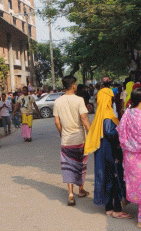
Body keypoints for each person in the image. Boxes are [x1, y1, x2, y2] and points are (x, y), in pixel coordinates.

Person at [85, 77, 130, 218]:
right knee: (115, 177)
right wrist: (122, 130)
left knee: (106, 177)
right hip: (111, 151)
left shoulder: (99, 114)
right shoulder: (107, 116)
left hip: (102, 151)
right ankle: (117, 209)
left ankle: (108, 207)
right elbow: (110, 133)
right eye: (111, 98)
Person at [116, 88, 141, 228]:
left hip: (129, 156)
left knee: (137, 184)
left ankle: (139, 213)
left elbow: (121, 133)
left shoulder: (127, 113)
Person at [54, 75, 91, 206]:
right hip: (80, 138)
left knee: (68, 166)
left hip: (66, 140)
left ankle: (70, 193)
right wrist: (91, 133)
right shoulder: (79, 100)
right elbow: (84, 118)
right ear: (74, 85)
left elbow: (57, 122)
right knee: (81, 164)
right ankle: (81, 190)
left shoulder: (58, 101)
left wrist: (62, 133)